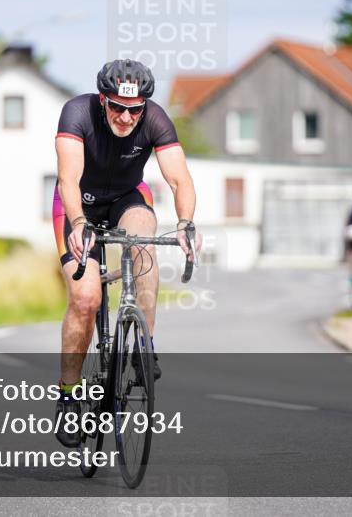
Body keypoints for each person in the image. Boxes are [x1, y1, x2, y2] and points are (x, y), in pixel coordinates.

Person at [52, 59, 200, 448]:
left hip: (126, 199)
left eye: (134, 110)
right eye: (116, 107)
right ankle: (69, 395)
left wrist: (186, 223)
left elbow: (180, 178)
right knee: (86, 299)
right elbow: (67, 178)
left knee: (144, 243)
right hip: (77, 204)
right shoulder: (77, 112)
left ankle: (143, 347)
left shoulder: (155, 119)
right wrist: (79, 222)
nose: (125, 117)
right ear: (102, 100)